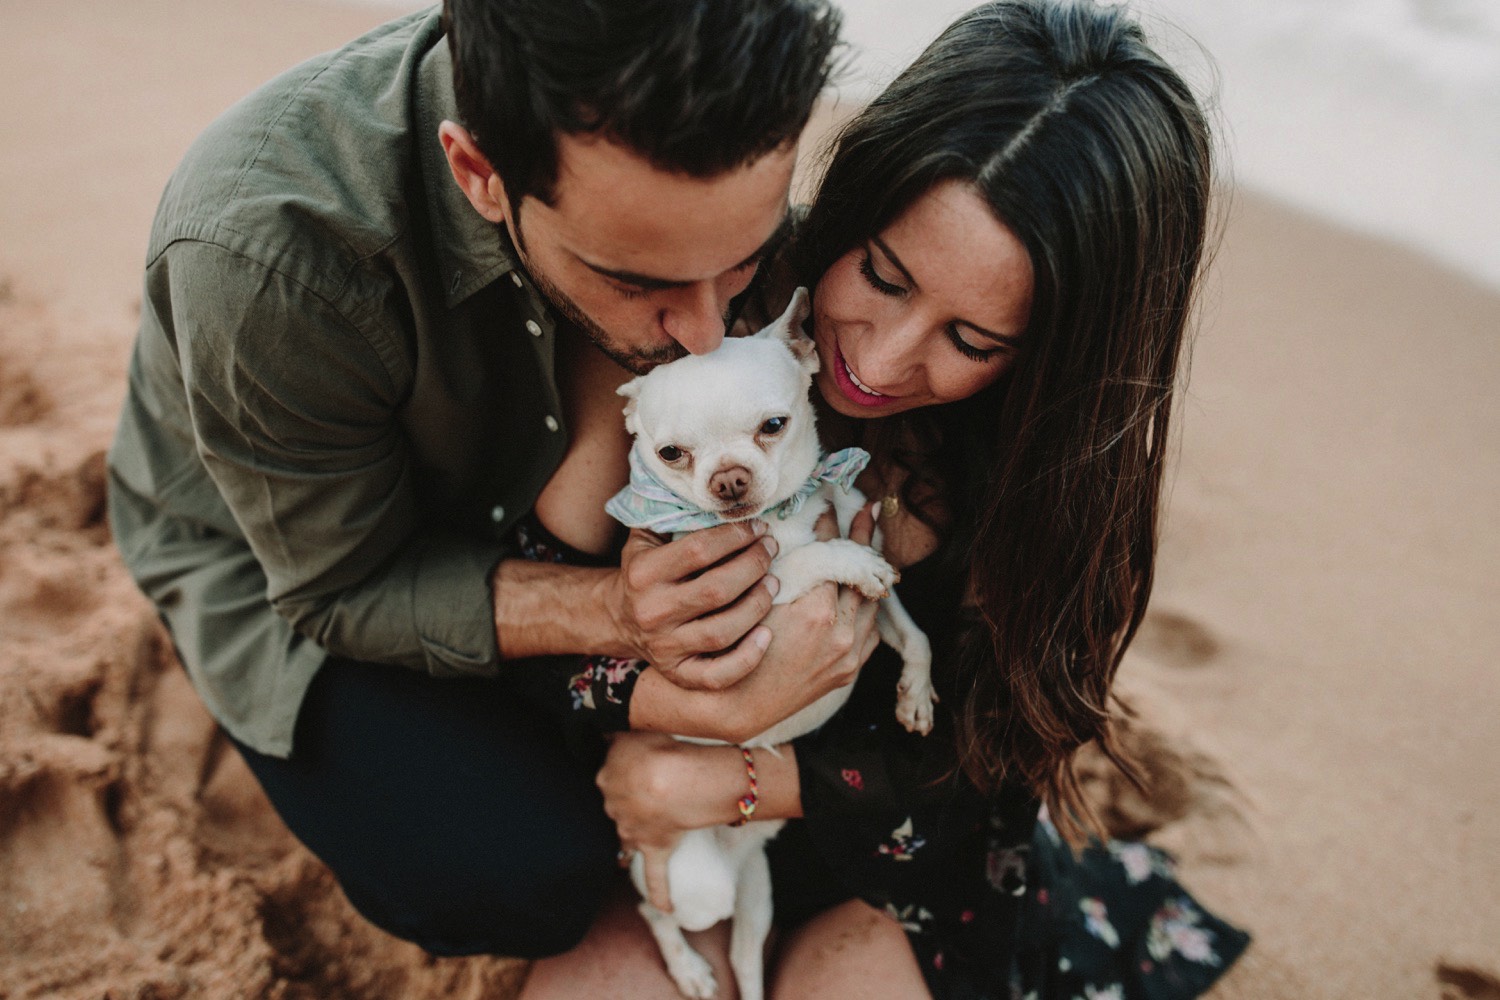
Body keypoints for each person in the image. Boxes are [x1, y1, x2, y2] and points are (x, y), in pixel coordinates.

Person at [104, 0, 867, 961]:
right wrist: (619, 615)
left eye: (744, 260)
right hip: (293, 557)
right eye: (638, 280)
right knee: (508, 874)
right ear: (478, 173)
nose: (709, 331)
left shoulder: (721, 131)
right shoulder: (268, 255)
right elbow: (342, 587)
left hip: (528, 517)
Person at [516, 1, 1249, 997]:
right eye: (882, 274)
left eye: (973, 342)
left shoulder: (1059, 478)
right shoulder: (707, 337)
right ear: (853, 203)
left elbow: (996, 766)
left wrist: (741, 780)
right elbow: (525, 638)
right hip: (656, 831)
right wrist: (661, 714)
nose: (880, 356)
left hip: (891, 853)